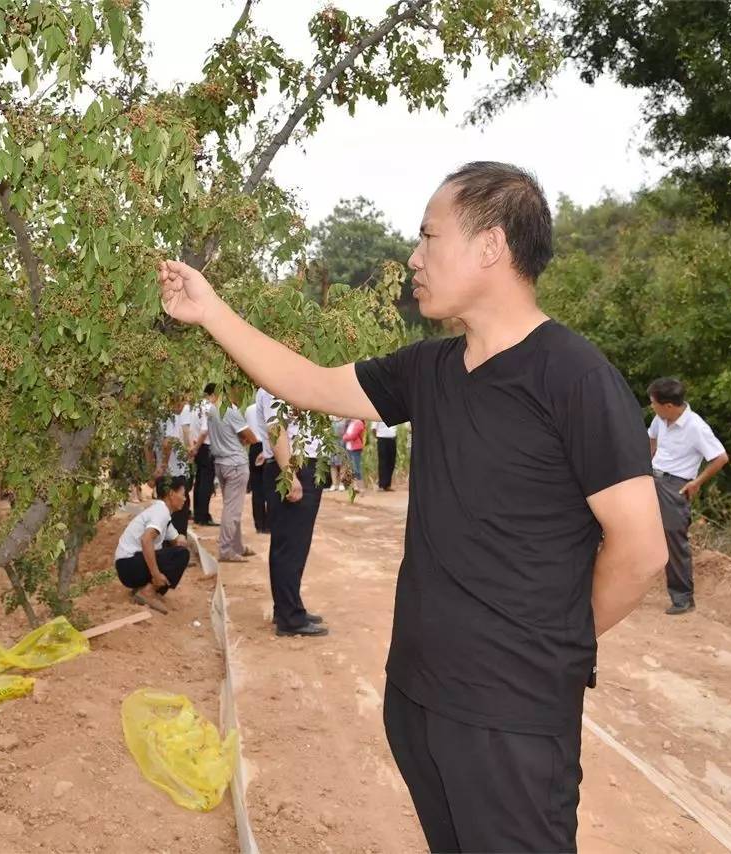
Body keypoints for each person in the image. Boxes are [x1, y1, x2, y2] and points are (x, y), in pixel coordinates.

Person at [159, 161, 666, 852]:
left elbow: (640, 549)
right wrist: (210, 310)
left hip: (510, 718)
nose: (413, 257)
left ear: (491, 246)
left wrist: (553, 648)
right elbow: (306, 382)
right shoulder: (429, 370)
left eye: (429, 238)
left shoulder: (575, 378)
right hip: (420, 698)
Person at [646, 377, 730, 615]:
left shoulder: (696, 427)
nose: (652, 406)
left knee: (674, 539)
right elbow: (651, 437)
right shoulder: (660, 419)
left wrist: (697, 482)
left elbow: (720, 457)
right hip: (651, 477)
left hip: (675, 485)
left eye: (654, 402)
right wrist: (646, 462)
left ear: (668, 405)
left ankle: (682, 597)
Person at [257, 387, 329, 638]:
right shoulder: (273, 383)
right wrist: (289, 475)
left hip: (300, 466)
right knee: (290, 547)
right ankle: (290, 618)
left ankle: (288, 608)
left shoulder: (285, 381)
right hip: (294, 468)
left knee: (293, 545)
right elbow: (276, 429)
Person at [114, 477, 192, 615]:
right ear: (171, 494)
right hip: (128, 565)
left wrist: (180, 538)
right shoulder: (160, 512)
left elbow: (176, 540)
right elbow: (146, 540)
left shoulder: (162, 512)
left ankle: (145, 587)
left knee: (177, 551)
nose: (185, 499)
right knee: (182, 555)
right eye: (183, 494)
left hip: (127, 565)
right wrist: (156, 574)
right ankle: (148, 591)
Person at [204, 385, 259, 562]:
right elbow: (251, 437)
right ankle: (226, 549)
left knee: (232, 507)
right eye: (239, 390)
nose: (242, 394)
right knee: (232, 510)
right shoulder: (230, 410)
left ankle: (237, 546)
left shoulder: (212, 410)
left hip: (221, 463)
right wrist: (242, 439)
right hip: (235, 463)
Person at [155, 397, 197, 536]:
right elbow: (168, 442)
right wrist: (164, 465)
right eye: (184, 402)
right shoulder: (170, 416)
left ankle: (167, 548)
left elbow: (148, 445)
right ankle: (177, 549)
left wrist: (154, 469)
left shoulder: (156, 415)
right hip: (173, 474)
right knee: (178, 516)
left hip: (164, 474)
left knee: (164, 514)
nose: (184, 405)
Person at [191, 384, 217, 526]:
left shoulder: (197, 406)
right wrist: (197, 447)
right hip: (206, 446)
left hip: (199, 446)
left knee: (200, 480)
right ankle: (203, 516)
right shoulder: (209, 408)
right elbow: (204, 430)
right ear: (213, 394)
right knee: (206, 483)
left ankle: (198, 514)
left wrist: (194, 447)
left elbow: (192, 429)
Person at [244, 398, 270, 534]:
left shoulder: (248, 409)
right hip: (267, 446)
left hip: (254, 447)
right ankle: (269, 524)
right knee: (271, 487)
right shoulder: (269, 406)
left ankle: (259, 524)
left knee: (257, 488)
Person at [373, 420, 399, 491]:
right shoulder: (377, 414)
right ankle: (381, 485)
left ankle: (387, 485)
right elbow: (373, 429)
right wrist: (378, 438)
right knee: (383, 462)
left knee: (391, 462)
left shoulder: (393, 414)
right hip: (382, 439)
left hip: (392, 439)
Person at [342, 418, 366, 489]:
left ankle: (361, 487)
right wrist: (345, 436)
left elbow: (352, 435)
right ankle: (355, 487)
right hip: (349, 448)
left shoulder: (359, 422)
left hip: (356, 448)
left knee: (357, 468)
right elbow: (345, 433)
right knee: (352, 468)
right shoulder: (350, 422)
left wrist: (344, 437)